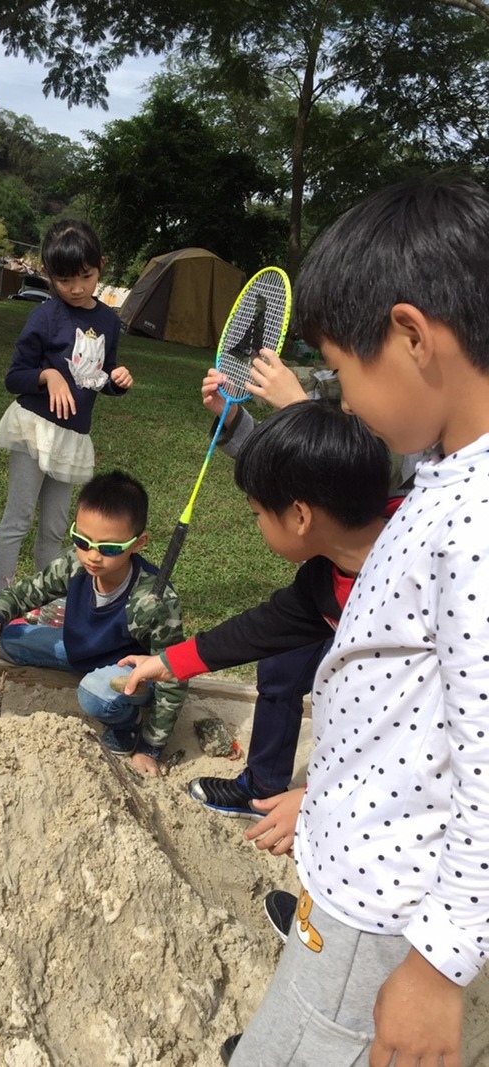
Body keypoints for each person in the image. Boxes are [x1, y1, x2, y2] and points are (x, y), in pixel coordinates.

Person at [220, 177, 489, 1066]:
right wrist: (327, 799)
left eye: (344, 370)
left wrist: (438, 967)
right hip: (359, 864)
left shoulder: (476, 518)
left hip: (387, 913)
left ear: (413, 337)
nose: (346, 401)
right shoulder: (443, 471)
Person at [121, 400, 393, 805]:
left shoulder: (414, 580)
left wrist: (311, 802)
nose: (258, 524)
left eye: (258, 513)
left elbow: (402, 731)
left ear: (300, 515)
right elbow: (266, 627)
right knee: (283, 664)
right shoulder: (326, 573)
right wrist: (168, 662)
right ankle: (264, 787)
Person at [0, 470, 186, 777]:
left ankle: (128, 726)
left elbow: (174, 673)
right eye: (82, 541)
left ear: (138, 544)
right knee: (9, 641)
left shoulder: (152, 600)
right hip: (80, 652)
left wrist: (151, 746)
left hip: (128, 673)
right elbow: (25, 593)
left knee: (94, 693)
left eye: (109, 548)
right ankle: (91, 677)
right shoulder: (74, 563)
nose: (92, 556)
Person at [0, 220, 132, 602]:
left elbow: (99, 378)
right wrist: (48, 375)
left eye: (85, 276)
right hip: (34, 430)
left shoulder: (108, 321)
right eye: (64, 280)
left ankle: (45, 601)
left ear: (100, 265)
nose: (76, 288)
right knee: (17, 521)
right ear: (50, 276)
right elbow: (14, 376)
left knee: (55, 528)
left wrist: (117, 380)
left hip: (72, 437)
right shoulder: (45, 316)